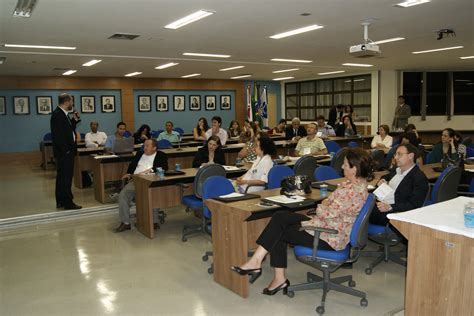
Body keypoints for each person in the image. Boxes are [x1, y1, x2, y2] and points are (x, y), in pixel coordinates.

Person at [231, 148, 374, 295]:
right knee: (280, 216)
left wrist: (322, 206)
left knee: (279, 231)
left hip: (330, 237)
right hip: (325, 225)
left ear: (354, 169)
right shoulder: (352, 185)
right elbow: (329, 208)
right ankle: (258, 263)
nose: (342, 166)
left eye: (345, 164)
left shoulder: (353, 192)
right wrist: (324, 205)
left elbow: (327, 211)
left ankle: (270, 273)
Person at [115, 139, 168, 232]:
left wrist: (148, 171)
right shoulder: (139, 154)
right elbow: (132, 166)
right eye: (144, 145)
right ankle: (125, 223)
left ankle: (154, 222)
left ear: (154, 148)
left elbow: (164, 168)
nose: (144, 148)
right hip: (136, 181)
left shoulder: (161, 155)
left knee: (153, 195)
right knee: (123, 195)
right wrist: (129, 173)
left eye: (147, 146)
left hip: (151, 181)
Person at [370, 144, 429, 226]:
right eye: (395, 154)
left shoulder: (419, 178)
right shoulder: (396, 170)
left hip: (393, 213)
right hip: (379, 203)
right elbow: (385, 177)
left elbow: (414, 205)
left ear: (411, 156)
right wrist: (382, 181)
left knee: (357, 211)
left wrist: (390, 207)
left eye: (399, 154)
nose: (396, 157)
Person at [50, 93, 82, 210]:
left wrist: (74, 120)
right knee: (66, 178)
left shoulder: (63, 114)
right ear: (67, 102)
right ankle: (68, 202)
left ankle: (61, 200)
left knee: (62, 177)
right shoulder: (58, 115)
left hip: (66, 151)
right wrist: (67, 151)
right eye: (71, 102)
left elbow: (68, 131)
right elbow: (59, 136)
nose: (72, 104)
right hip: (65, 153)